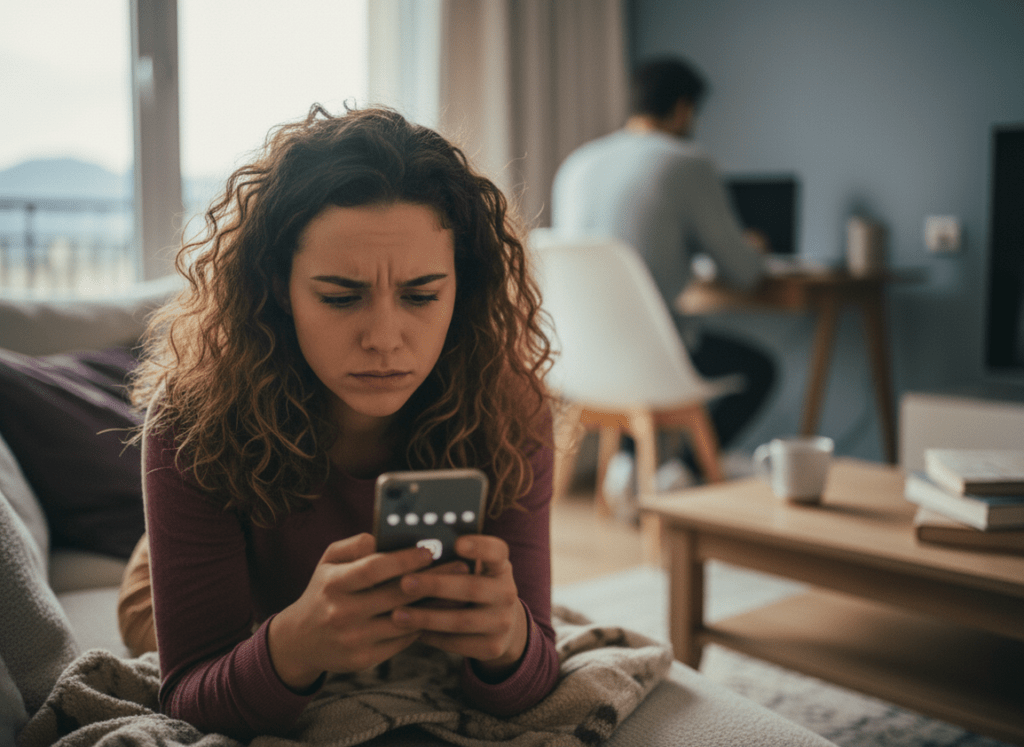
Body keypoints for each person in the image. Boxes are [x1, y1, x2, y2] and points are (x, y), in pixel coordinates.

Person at [118, 105, 560, 740]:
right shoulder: (192, 423)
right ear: (276, 286)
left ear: (465, 286)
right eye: (340, 297)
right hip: (188, 571)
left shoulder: (510, 409)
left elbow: (536, 667)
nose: (384, 338)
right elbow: (189, 692)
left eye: (422, 295)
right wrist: (294, 646)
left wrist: (511, 640)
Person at [551, 55, 776, 470]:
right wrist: (755, 246)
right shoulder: (687, 162)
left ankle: (628, 469)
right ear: (683, 108)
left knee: (647, 344)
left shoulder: (576, 165)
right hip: (652, 359)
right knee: (761, 370)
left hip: (580, 362)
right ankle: (683, 474)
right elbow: (744, 273)